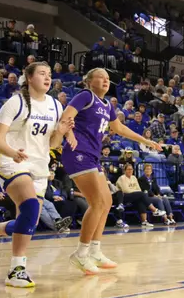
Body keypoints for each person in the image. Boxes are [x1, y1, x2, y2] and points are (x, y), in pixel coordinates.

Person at [0, 62, 73, 287]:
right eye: (42, 74)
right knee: (29, 207)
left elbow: (53, 143)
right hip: (12, 161)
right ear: (29, 78)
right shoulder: (15, 102)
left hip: (39, 166)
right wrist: (12, 153)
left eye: (49, 74)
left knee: (28, 220)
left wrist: (61, 132)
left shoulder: (55, 105)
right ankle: (16, 270)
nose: (48, 78)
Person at [59, 68, 161, 275]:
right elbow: (66, 117)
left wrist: (144, 140)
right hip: (78, 153)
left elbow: (120, 129)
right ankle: (81, 253)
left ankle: (95, 251)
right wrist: (69, 134)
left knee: (107, 202)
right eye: (100, 77)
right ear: (89, 81)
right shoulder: (85, 96)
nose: (105, 80)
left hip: (93, 156)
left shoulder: (107, 105)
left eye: (107, 78)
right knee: (97, 202)